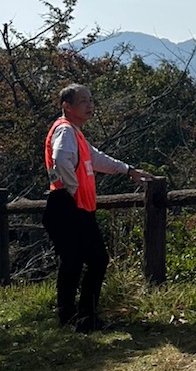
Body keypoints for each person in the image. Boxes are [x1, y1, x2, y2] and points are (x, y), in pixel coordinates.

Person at [43, 83, 153, 333]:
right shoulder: (66, 131)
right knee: (93, 259)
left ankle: (73, 318)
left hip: (68, 204)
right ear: (67, 106)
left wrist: (128, 170)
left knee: (74, 260)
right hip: (68, 204)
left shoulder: (74, 132)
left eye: (91, 100)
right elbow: (61, 159)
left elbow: (96, 158)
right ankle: (83, 318)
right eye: (83, 101)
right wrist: (73, 190)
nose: (90, 105)